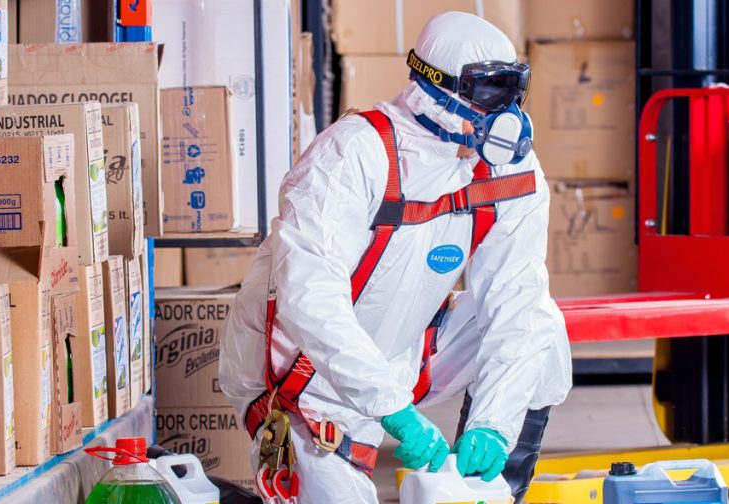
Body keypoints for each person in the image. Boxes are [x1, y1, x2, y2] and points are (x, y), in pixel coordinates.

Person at [219, 11, 572, 503]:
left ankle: (497, 489)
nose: (506, 113)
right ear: (434, 87)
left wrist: (495, 423)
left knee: (544, 324)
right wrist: (391, 408)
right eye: (491, 92)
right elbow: (310, 299)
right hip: (301, 380)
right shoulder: (352, 155)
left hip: (406, 349)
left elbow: (517, 301)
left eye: (515, 92)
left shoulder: (510, 172)